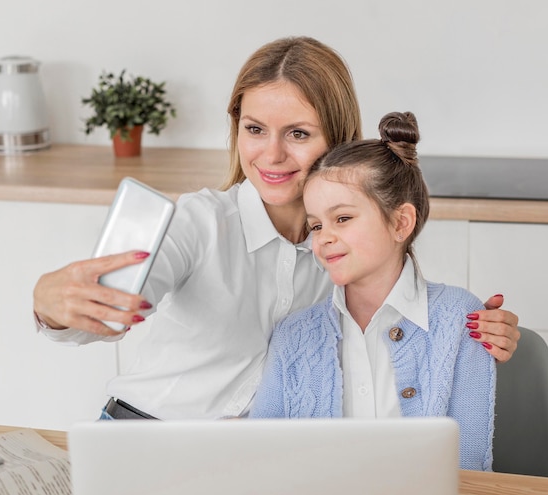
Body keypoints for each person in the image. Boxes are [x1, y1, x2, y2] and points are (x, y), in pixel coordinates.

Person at [32, 36, 518, 422]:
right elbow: (113, 305)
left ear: (338, 139)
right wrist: (53, 305)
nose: (271, 155)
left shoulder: (346, 245)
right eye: (255, 129)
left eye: (299, 134)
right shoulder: (200, 223)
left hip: (252, 460)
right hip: (144, 431)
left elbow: (406, 314)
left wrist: (481, 330)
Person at [250, 111, 495, 471]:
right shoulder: (294, 336)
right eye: (316, 225)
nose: (325, 237)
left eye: (343, 218)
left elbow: (469, 466)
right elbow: (261, 457)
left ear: (400, 222)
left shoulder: (460, 319)